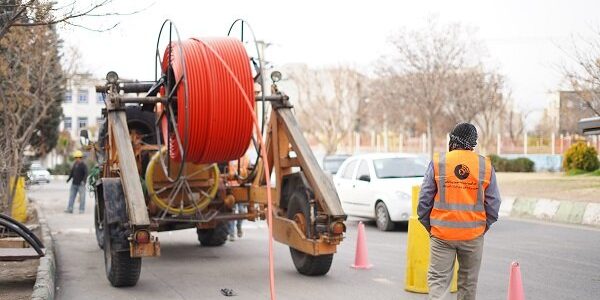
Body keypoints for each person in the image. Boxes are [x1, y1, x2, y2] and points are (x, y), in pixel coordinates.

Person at [418, 123, 501, 300]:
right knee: (468, 284)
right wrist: (482, 228)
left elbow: (424, 201)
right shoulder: (484, 166)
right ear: (473, 143)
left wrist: (431, 227)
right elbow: (494, 204)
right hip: (472, 236)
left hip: (442, 235)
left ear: (452, 140)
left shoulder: (439, 162)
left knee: (438, 283)